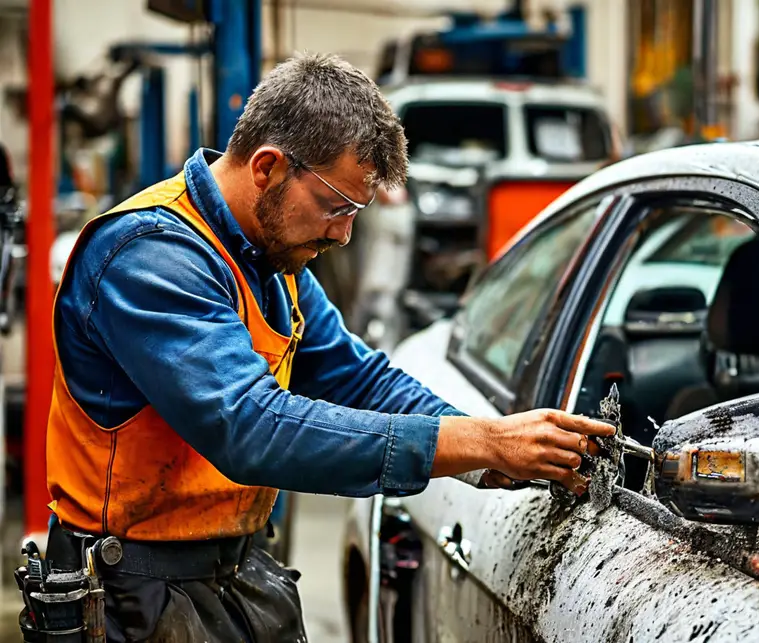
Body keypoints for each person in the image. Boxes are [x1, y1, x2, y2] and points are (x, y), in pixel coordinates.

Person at [42, 53, 613, 642]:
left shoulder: (266, 257)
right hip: (125, 596)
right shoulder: (149, 257)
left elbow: (354, 377)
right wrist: (477, 440)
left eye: (356, 212)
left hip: (230, 576)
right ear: (267, 167)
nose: (343, 234)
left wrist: (482, 452)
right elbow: (249, 428)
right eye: (337, 206)